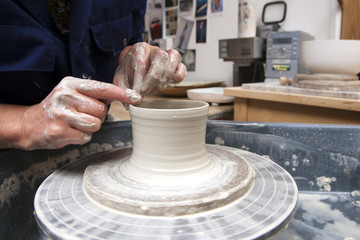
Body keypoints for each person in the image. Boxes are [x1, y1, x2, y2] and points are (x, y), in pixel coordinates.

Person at [0, 0, 186, 150]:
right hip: (10, 150)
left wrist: (133, 59)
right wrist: (24, 123)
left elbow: (124, 44)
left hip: (94, 137)